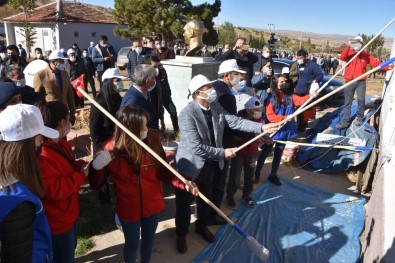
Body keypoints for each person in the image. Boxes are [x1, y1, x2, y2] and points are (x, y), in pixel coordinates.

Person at [173, 74, 278, 253]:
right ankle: (181, 235)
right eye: (208, 87)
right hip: (190, 167)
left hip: (211, 164)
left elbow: (234, 121)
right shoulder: (187, 114)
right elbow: (197, 148)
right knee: (184, 205)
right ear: (198, 93)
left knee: (206, 200)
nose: (213, 90)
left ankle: (202, 226)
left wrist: (261, 127)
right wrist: (223, 152)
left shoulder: (215, 106)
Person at [89, 105, 198, 263]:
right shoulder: (111, 150)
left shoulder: (152, 140)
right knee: (132, 244)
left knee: (148, 240)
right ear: (130, 129)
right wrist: (95, 168)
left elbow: (163, 171)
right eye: (143, 127)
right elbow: (96, 184)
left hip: (153, 205)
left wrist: (184, 183)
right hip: (128, 208)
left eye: (146, 124)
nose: (147, 129)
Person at [0, 103, 58, 262]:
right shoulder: (17, 203)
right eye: (39, 142)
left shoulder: (10, 182)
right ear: (25, 147)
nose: (42, 146)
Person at [36, 100, 89, 263]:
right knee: (64, 257)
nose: (70, 123)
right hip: (58, 222)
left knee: (70, 251)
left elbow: (68, 166)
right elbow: (54, 190)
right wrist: (80, 176)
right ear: (61, 122)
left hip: (70, 214)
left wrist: (83, 165)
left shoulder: (60, 144)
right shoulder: (43, 155)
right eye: (68, 119)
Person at [255, 75, 316, 185]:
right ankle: (257, 172)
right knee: (265, 152)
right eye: (281, 82)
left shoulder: (290, 96)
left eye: (285, 81)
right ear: (275, 85)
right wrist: (284, 118)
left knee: (278, 154)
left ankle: (273, 174)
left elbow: (300, 101)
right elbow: (270, 116)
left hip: (286, 130)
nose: (285, 83)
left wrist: (311, 96)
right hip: (274, 130)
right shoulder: (270, 99)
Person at [336, 36, 391, 129]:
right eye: (355, 43)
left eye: (358, 43)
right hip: (349, 82)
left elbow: (376, 64)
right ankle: (345, 122)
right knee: (347, 102)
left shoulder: (366, 55)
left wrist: (387, 67)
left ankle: (359, 118)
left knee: (361, 101)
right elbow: (342, 57)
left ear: (361, 44)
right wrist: (348, 46)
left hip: (360, 82)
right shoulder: (349, 54)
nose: (356, 45)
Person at [226, 95, 266, 209]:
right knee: (235, 176)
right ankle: (230, 197)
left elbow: (261, 134)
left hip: (252, 152)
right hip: (239, 153)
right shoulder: (238, 119)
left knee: (250, 176)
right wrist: (251, 137)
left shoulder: (259, 120)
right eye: (256, 110)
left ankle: (247, 196)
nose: (259, 112)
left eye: (260, 109)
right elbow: (235, 136)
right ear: (248, 110)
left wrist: (265, 138)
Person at [33, 50, 76, 124]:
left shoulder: (64, 74)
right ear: (53, 62)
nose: (63, 63)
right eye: (61, 61)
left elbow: (70, 94)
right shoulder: (40, 75)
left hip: (64, 111)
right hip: (50, 113)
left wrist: (72, 112)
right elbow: (37, 97)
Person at [90, 68, 126, 153]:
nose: (120, 83)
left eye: (120, 80)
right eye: (117, 80)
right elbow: (94, 128)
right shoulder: (99, 103)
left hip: (118, 142)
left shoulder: (118, 99)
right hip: (105, 145)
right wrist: (98, 150)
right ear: (108, 83)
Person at [121, 64, 159, 131]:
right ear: (147, 81)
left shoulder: (143, 92)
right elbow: (131, 127)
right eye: (153, 78)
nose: (155, 80)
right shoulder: (132, 101)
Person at [294, 49, 323, 132]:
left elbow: (320, 74)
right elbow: (299, 77)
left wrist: (315, 80)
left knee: (305, 111)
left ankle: (303, 126)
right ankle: (300, 125)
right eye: (298, 57)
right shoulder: (298, 65)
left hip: (307, 92)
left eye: (301, 57)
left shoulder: (312, 65)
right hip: (299, 91)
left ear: (305, 57)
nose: (299, 59)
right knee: (299, 110)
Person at [150, 55, 179, 135]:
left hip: (164, 93)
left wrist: (168, 93)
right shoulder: (147, 74)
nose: (156, 68)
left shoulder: (162, 71)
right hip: (154, 95)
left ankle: (176, 130)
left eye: (158, 65)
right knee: (156, 113)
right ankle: (158, 131)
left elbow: (166, 82)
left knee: (173, 110)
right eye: (154, 66)